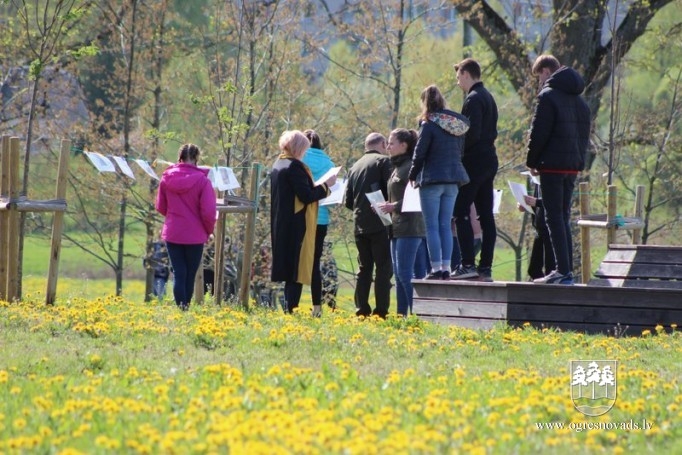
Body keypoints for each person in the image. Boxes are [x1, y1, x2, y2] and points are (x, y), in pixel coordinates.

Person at [526, 54, 591, 285]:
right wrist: (578, 162)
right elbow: (584, 136)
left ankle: (561, 270)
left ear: (545, 71)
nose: (539, 82)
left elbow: (539, 132)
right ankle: (566, 270)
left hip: (552, 165)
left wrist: (532, 161)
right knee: (563, 217)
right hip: (572, 166)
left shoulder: (548, 96)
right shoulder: (580, 101)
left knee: (553, 217)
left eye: (538, 77)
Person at [270, 130, 336, 314]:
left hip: (282, 221)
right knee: (297, 269)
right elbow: (306, 195)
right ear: (298, 148)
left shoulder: (278, 164)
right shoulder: (294, 167)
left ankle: (288, 308)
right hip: (297, 223)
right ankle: (292, 309)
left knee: (290, 267)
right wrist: (326, 186)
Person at [408, 85, 470, 280]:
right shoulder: (454, 124)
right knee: (445, 225)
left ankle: (435, 268)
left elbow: (419, 153)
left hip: (432, 180)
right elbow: (460, 151)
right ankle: (446, 267)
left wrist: (412, 174)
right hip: (453, 180)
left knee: (432, 226)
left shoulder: (428, 124)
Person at [451, 58, 499, 282]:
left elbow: (471, 134)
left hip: (475, 161)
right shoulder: (489, 97)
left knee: (460, 211)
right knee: (485, 214)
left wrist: (456, 148)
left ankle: (467, 263)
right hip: (490, 158)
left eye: (458, 76)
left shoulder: (473, 99)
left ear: (466, 74)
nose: (457, 81)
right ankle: (486, 266)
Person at [156, 143, 217, 311]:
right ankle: (185, 308)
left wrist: (174, 217)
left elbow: (161, 206)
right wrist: (208, 230)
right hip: (195, 235)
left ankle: (181, 309)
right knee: (190, 274)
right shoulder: (203, 181)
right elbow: (208, 212)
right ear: (197, 159)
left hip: (173, 232)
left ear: (180, 157)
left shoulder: (166, 178)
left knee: (178, 272)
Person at [344, 132, 393, 318]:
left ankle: (361, 309)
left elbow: (348, 201)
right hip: (381, 222)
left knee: (364, 268)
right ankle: (381, 311)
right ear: (381, 144)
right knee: (383, 267)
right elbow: (392, 190)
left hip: (359, 224)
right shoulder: (383, 161)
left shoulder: (354, 167)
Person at [379, 128, 426, 317]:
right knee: (398, 275)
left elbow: (417, 198)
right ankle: (401, 316)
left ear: (403, 145)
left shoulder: (411, 168)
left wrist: (394, 206)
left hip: (410, 228)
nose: (388, 147)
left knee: (406, 274)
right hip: (396, 228)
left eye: (391, 143)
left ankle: (418, 315)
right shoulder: (397, 167)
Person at [301, 129, 336, 315]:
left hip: (303, 215)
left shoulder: (299, 160)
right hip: (321, 218)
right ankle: (317, 307)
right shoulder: (329, 164)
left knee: (298, 260)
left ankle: (293, 305)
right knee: (314, 263)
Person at [522, 181, 555, 280]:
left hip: (551, 228)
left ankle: (549, 293)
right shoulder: (537, 181)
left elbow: (557, 200)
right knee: (534, 270)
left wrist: (537, 202)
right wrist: (527, 204)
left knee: (551, 269)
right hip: (540, 228)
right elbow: (538, 203)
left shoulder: (550, 177)